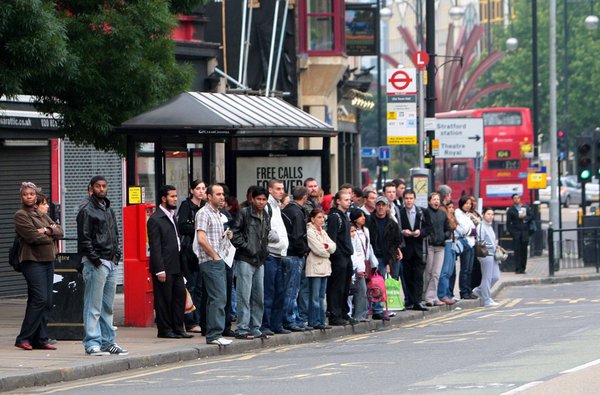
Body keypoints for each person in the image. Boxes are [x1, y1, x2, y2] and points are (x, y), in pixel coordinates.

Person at [77, 176, 128, 356]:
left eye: (104, 186)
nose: (101, 189)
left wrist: (116, 256)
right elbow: (84, 239)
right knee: (93, 305)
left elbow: (114, 233)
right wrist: (96, 260)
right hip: (96, 263)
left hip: (111, 262)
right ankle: (92, 343)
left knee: (107, 306)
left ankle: (108, 342)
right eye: (97, 186)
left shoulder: (108, 209)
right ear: (91, 188)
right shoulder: (86, 210)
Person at [14, 186, 64, 351]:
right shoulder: (21, 215)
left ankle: (40, 339)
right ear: (21, 197)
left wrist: (46, 230)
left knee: (47, 301)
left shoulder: (41, 214)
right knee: (40, 299)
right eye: (25, 194)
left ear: (36, 196)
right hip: (32, 261)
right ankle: (24, 338)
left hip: (48, 261)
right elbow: (33, 237)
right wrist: (50, 234)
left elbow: (60, 231)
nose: (29, 197)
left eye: (32, 194)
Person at [147, 185, 192, 339]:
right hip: (164, 266)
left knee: (179, 297)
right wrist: (160, 269)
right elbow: (155, 246)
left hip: (177, 265)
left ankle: (178, 328)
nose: (175, 199)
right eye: (172, 196)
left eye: (175, 196)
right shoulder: (155, 219)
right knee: (164, 300)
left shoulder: (173, 216)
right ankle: (165, 330)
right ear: (163, 198)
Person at [230, 186, 272, 339]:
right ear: (252, 199)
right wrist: (247, 247)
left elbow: (265, 236)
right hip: (245, 259)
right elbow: (234, 233)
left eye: (264, 199)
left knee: (258, 296)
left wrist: (262, 251)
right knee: (244, 295)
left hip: (259, 260)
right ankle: (242, 328)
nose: (261, 202)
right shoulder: (244, 213)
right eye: (259, 199)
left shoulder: (267, 215)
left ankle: (255, 328)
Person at [195, 184, 233, 346]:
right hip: (211, 261)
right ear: (209, 197)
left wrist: (227, 236)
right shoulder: (204, 213)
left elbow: (214, 237)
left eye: (223, 194)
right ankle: (214, 334)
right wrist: (215, 256)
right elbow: (201, 238)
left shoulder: (218, 214)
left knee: (219, 297)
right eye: (218, 194)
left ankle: (215, 332)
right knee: (217, 297)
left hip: (220, 259)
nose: (222, 197)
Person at [261, 180, 290, 336]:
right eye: (278, 189)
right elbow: (266, 230)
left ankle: (276, 324)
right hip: (270, 255)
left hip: (279, 255)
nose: (281, 191)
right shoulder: (267, 207)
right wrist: (278, 240)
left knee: (280, 292)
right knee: (269, 292)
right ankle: (265, 325)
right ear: (270, 190)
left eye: (282, 189)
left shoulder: (277, 207)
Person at [176, 179, 205, 334]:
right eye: (198, 188)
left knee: (200, 287)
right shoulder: (187, 206)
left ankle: (199, 318)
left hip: (202, 251)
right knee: (191, 286)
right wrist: (198, 227)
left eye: (203, 188)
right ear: (192, 190)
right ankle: (191, 321)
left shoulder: (205, 207)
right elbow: (182, 226)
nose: (201, 191)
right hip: (189, 251)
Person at [281, 186, 310, 332]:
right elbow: (298, 236)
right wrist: (303, 251)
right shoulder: (297, 213)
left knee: (288, 289)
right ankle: (289, 319)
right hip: (294, 255)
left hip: (286, 253)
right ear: (304, 197)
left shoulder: (286, 210)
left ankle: (292, 318)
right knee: (292, 290)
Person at [326, 191, 355, 325]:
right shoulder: (334, 217)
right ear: (338, 201)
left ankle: (344, 312)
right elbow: (332, 238)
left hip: (347, 255)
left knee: (345, 286)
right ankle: (334, 314)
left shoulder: (345, 216)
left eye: (349, 200)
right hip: (339, 257)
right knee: (336, 286)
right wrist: (337, 254)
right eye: (345, 200)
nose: (348, 202)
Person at [305, 208, 335, 330]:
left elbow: (333, 246)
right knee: (315, 297)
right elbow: (317, 249)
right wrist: (327, 251)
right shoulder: (310, 231)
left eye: (323, 217)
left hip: (325, 267)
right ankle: (314, 321)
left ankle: (321, 320)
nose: (321, 220)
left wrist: (327, 247)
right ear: (312, 219)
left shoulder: (323, 231)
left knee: (322, 296)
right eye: (319, 217)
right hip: (315, 267)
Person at [399, 190, 428, 311]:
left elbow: (429, 228)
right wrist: (402, 232)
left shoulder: (422, 212)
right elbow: (396, 228)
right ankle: (409, 300)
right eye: (406, 198)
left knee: (418, 276)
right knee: (407, 277)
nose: (409, 200)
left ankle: (418, 301)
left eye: (411, 198)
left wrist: (420, 232)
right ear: (403, 200)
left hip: (419, 249)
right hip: (406, 249)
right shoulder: (399, 212)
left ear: (415, 199)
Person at [423, 192, 451, 307]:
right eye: (433, 199)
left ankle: (432, 297)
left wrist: (444, 236)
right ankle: (426, 296)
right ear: (429, 201)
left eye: (438, 199)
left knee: (436, 273)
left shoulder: (442, 214)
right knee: (428, 272)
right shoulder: (425, 213)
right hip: (429, 245)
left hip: (441, 246)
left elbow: (448, 228)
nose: (436, 201)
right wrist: (430, 237)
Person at [349, 210, 378, 322]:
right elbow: (355, 251)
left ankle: (364, 313)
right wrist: (359, 267)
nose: (363, 218)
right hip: (358, 263)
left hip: (366, 263)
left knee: (365, 289)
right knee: (361, 290)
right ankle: (359, 315)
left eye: (363, 216)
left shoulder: (366, 230)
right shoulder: (353, 232)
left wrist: (373, 262)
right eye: (360, 216)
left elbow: (368, 247)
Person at [472, 208, 500, 307]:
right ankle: (486, 300)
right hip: (485, 254)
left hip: (493, 254)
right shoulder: (481, 226)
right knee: (487, 278)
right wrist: (489, 249)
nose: (490, 216)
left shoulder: (490, 226)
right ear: (483, 215)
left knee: (496, 276)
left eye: (492, 214)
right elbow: (480, 241)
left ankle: (478, 290)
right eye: (488, 214)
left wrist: (495, 247)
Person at [455, 195, 477, 300]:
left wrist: (472, 231)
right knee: (465, 269)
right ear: (462, 203)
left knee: (469, 269)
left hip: (472, 243)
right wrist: (473, 231)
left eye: (470, 204)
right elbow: (465, 230)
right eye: (466, 203)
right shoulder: (458, 213)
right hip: (465, 244)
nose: (468, 205)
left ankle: (469, 290)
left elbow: (472, 228)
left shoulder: (467, 214)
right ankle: (463, 292)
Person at [506, 193, 533, 274]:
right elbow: (508, 223)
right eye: (515, 198)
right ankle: (518, 268)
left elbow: (531, 216)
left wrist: (525, 218)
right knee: (517, 251)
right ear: (513, 200)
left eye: (518, 198)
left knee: (524, 251)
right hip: (516, 232)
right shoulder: (511, 210)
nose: (516, 199)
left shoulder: (525, 207)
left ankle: (523, 268)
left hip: (525, 232)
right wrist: (512, 232)